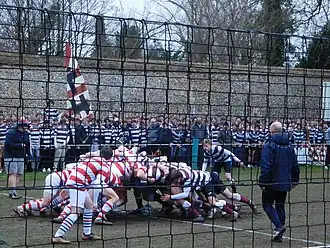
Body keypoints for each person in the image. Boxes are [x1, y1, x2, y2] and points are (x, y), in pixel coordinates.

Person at [259, 121, 300, 242]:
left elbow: (266, 166)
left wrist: (263, 182)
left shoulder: (269, 145)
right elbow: (295, 165)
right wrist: (295, 179)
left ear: (272, 131)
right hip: (285, 182)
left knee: (267, 204)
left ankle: (278, 227)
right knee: (280, 206)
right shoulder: (290, 145)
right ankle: (279, 234)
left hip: (271, 182)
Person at [4, 118, 31, 199]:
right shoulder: (11, 132)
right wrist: (19, 146)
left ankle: (13, 192)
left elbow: (28, 145)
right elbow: (8, 144)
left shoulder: (26, 133)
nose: (25, 129)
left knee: (19, 173)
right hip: (10, 156)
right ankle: (13, 192)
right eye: (24, 127)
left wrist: (29, 155)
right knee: (13, 173)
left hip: (21, 156)